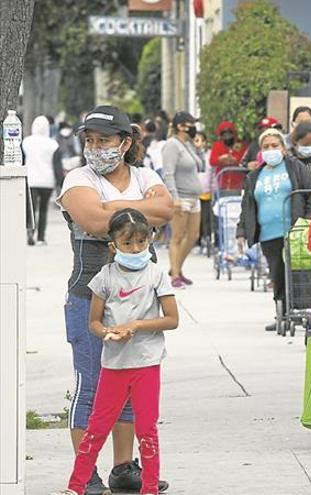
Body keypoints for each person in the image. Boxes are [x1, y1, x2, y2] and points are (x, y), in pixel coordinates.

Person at [56, 105, 172, 494]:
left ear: (124, 143)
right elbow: (92, 219)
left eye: (103, 140)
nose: (94, 147)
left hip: (141, 306)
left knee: (127, 388)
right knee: (91, 386)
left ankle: (124, 469)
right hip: (91, 299)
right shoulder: (78, 177)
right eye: (89, 140)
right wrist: (139, 214)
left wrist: (115, 210)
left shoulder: (145, 175)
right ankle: (85, 472)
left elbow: (166, 209)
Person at [52, 208, 179, 495]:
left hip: (147, 364)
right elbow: (94, 322)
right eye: (127, 243)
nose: (135, 249)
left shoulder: (157, 275)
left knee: (147, 430)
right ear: (113, 245)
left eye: (141, 242)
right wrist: (109, 333)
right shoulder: (103, 278)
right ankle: (76, 486)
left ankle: (149, 488)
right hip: (113, 365)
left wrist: (137, 325)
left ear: (150, 240)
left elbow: (172, 319)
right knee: (96, 429)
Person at [235, 128, 311, 331]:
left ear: (283, 148)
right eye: (266, 147)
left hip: (295, 232)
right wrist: (241, 231)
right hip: (268, 234)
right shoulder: (255, 176)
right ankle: (281, 312)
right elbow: (247, 206)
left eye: (275, 146)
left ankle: (303, 311)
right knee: (277, 274)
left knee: (299, 272)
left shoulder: (295, 167)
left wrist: (307, 220)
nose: (270, 150)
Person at [162, 111, 203, 289]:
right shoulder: (172, 145)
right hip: (181, 197)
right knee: (177, 236)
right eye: (190, 124)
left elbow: (201, 166)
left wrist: (198, 149)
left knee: (193, 235)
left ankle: (176, 267)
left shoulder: (187, 145)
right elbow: (168, 173)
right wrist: (174, 198)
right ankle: (175, 274)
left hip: (194, 197)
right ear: (181, 126)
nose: (194, 127)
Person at [23, 115, 60, 246]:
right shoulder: (53, 144)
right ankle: (41, 238)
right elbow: (57, 166)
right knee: (43, 209)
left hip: (31, 180)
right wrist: (59, 182)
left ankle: (29, 231)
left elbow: (22, 161)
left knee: (31, 209)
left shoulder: (26, 142)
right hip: (47, 180)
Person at [209, 120, 247, 190]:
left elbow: (243, 159)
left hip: (238, 183)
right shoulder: (217, 145)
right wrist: (221, 159)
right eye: (224, 134)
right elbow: (212, 161)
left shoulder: (239, 145)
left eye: (229, 133)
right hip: (222, 182)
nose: (227, 136)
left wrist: (233, 160)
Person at [193, 131, 213, 248]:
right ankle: (197, 241)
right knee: (195, 219)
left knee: (206, 217)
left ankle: (207, 238)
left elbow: (211, 173)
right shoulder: (190, 155)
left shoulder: (209, 155)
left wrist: (213, 188)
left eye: (200, 140)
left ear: (205, 142)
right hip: (193, 192)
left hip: (206, 191)